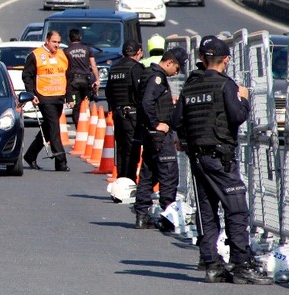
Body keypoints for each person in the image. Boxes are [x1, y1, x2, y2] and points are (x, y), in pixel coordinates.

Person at [173, 36, 272, 285]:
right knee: (236, 209)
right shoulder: (225, 85)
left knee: (207, 211)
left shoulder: (190, 86)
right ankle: (241, 264)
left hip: (197, 158)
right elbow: (237, 115)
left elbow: (176, 121)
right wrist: (245, 98)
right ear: (226, 60)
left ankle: (212, 264)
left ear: (202, 58)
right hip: (221, 158)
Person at [133, 47, 188, 230]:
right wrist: (156, 123)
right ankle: (168, 218)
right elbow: (147, 101)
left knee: (148, 173)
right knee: (168, 174)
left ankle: (142, 216)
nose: (177, 73)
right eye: (177, 68)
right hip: (159, 135)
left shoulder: (148, 73)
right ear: (170, 62)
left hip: (148, 134)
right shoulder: (157, 77)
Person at [22, 30, 71, 172]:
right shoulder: (36, 55)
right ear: (47, 41)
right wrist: (31, 94)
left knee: (49, 128)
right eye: (54, 42)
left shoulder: (63, 55)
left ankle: (30, 156)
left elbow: (68, 76)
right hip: (44, 97)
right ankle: (61, 161)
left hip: (59, 96)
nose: (56, 45)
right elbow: (27, 75)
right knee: (54, 127)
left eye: (58, 42)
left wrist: (69, 96)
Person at [105, 40, 145, 180]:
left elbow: (108, 92)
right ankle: (129, 181)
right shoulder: (136, 68)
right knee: (132, 149)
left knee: (121, 149)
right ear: (138, 52)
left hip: (117, 113)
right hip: (131, 114)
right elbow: (141, 92)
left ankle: (121, 179)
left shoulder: (114, 68)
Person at [64, 28, 99, 126]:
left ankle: (78, 125)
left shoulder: (66, 51)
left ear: (69, 39)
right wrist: (97, 79)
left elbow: (64, 67)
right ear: (80, 37)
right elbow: (93, 65)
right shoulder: (87, 49)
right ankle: (86, 124)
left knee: (76, 106)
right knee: (86, 103)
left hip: (73, 81)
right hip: (86, 80)